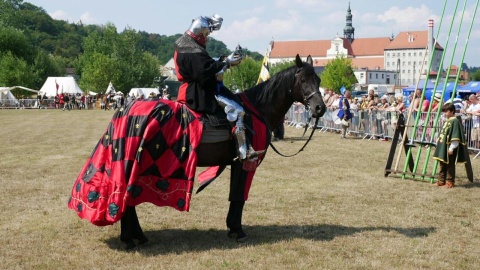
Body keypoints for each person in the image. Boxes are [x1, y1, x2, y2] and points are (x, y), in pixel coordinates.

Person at [174, 13, 264, 161]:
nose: (207, 39)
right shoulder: (191, 50)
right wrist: (226, 62)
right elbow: (204, 72)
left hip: (196, 89)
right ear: (200, 34)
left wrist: (223, 61)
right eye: (206, 35)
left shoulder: (186, 46)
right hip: (199, 93)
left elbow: (206, 64)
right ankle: (244, 152)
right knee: (239, 110)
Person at [432, 103, 467, 188]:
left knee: (450, 165)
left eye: (446, 111)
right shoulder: (448, 120)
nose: (444, 113)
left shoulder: (455, 121)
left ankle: (450, 182)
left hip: (449, 147)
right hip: (443, 147)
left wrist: (452, 148)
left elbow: (455, 136)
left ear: (452, 111)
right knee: (442, 164)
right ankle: (441, 180)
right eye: (444, 111)